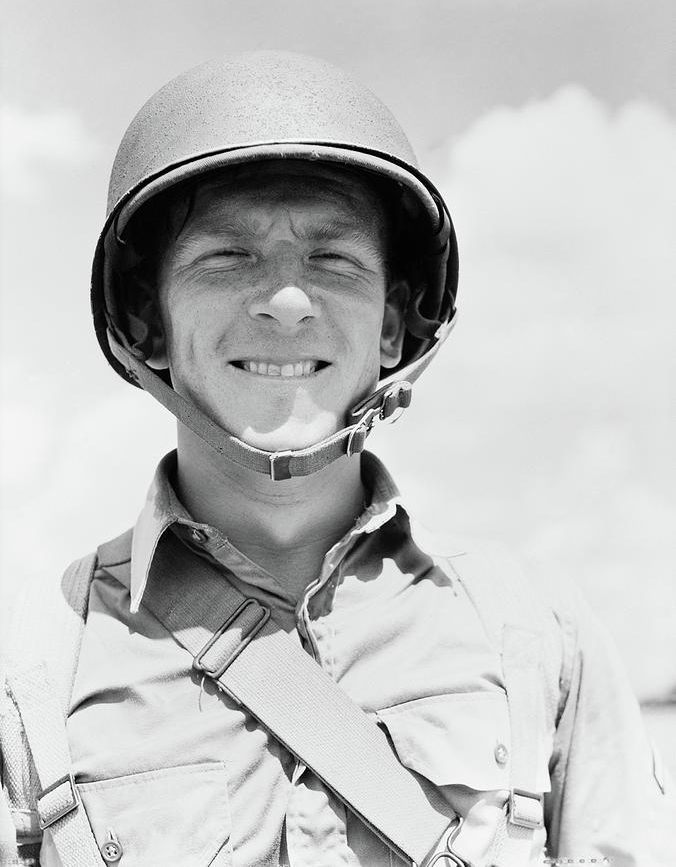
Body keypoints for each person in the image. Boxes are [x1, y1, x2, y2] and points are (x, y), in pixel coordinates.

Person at [0, 50, 673, 867]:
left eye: (333, 260)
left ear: (393, 328)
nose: (286, 301)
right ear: (147, 323)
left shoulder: (536, 638)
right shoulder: (31, 668)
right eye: (226, 256)